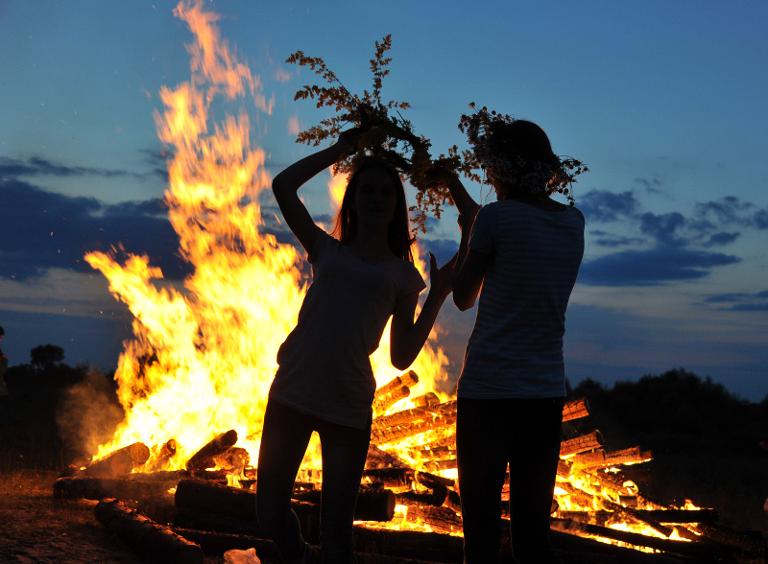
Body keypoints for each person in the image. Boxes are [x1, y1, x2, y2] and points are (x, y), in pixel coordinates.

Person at [258, 130, 455, 564]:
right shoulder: (325, 249)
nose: (376, 197)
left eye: (386, 191)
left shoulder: (403, 276)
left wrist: (436, 297)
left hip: (347, 407)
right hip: (292, 391)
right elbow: (282, 187)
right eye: (366, 189)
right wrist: (339, 150)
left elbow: (401, 356)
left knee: (337, 534)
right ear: (353, 199)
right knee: (269, 512)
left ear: (396, 206)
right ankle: (301, 559)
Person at [445, 119, 585, 563]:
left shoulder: (494, 219)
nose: (487, 176)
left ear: (502, 167)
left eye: (490, 167)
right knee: (532, 535)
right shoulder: (573, 223)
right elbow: (516, 231)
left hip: (487, 393)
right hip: (543, 394)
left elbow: (464, 298)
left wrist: (469, 235)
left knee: (481, 536)